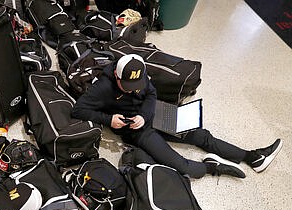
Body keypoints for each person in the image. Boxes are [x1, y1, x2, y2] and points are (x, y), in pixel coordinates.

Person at [72, 54, 282, 179]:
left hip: (152, 115)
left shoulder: (140, 76)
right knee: (181, 165)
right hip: (135, 132)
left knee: (201, 136)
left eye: (134, 86)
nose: (131, 90)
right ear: (117, 75)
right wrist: (110, 120)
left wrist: (145, 115)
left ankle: (251, 157)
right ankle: (212, 168)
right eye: (126, 86)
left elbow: (151, 94)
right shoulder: (102, 87)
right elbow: (78, 110)